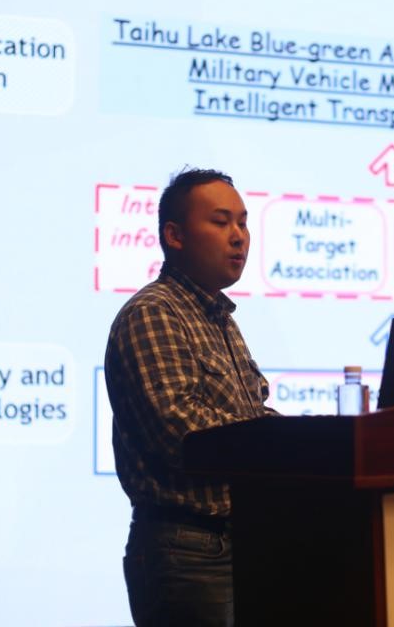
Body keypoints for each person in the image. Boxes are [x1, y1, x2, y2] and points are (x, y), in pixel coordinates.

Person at [104, 168, 276, 626]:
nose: (238, 236)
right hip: (188, 552)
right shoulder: (154, 313)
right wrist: (280, 440)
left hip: (238, 543)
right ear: (174, 235)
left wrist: (308, 437)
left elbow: (247, 415)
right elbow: (183, 433)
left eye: (243, 222)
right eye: (221, 222)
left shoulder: (219, 318)